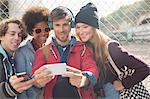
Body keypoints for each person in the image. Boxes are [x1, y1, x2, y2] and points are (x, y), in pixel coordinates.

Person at [75, 2, 150, 99]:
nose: (81, 32)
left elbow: (145, 68)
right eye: (78, 27)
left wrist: (123, 84)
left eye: (85, 27)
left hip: (115, 93)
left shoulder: (111, 48)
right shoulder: (85, 47)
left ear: (95, 28)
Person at [32, 6, 99, 99]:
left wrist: (84, 79)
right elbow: (35, 77)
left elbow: (92, 69)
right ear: (51, 26)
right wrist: (38, 81)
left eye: (65, 24)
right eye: (57, 25)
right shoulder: (42, 52)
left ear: (71, 24)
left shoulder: (83, 48)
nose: (61, 30)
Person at [14, 6, 50, 99]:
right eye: (38, 31)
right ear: (30, 32)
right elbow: (21, 86)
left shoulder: (52, 49)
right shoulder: (21, 53)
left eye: (46, 29)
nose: (43, 33)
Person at [0, 18, 34, 99]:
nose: (17, 38)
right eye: (12, 34)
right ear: (1, 36)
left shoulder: (10, 58)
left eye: (19, 35)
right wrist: (9, 89)